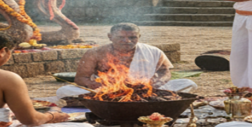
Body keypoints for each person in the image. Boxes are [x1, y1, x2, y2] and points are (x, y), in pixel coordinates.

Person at [54, 23, 197, 100]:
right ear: (110, 37)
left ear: (139, 37)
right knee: (64, 91)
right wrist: (99, 85)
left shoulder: (153, 51)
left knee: (187, 83)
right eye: (121, 37)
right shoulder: (95, 53)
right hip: (108, 91)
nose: (127, 41)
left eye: (132, 37)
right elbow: (81, 78)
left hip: (145, 90)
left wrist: (156, 82)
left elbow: (164, 71)